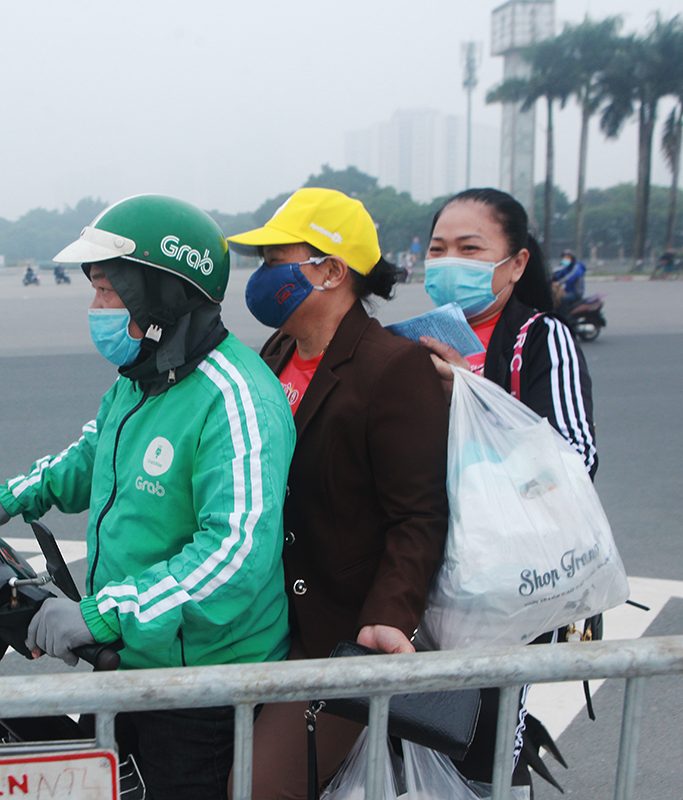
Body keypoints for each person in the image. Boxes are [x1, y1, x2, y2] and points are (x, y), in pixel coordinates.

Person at [0, 195, 295, 800]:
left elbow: (233, 557)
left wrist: (98, 614)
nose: (96, 309)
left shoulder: (235, 399)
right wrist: (7, 499)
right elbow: (94, 453)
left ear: (161, 295)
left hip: (203, 685)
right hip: (129, 658)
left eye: (110, 293)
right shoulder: (143, 379)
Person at [226, 187, 450, 799]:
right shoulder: (273, 355)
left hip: (336, 631)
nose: (262, 274)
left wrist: (384, 621)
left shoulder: (392, 367)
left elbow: (419, 515)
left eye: (276, 258)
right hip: (265, 620)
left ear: (330, 270)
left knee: (259, 787)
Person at [417, 187, 597, 790]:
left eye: (471, 249)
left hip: (505, 587)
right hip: (422, 570)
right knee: (417, 727)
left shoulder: (538, 340)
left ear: (516, 264)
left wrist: (473, 394)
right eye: (439, 249)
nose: (450, 263)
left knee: (485, 738)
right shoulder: (414, 342)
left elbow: (576, 458)